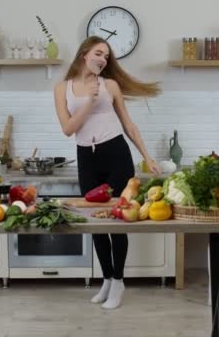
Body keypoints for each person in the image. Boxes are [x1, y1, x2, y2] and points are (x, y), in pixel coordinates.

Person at [53, 36, 162, 309]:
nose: (103, 59)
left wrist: (147, 156)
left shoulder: (109, 85)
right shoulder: (62, 88)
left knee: (117, 221)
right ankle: (107, 279)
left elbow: (129, 125)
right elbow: (68, 129)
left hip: (116, 154)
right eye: (99, 53)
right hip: (86, 157)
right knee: (95, 224)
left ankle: (119, 280)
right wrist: (88, 104)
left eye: (107, 56)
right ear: (84, 54)